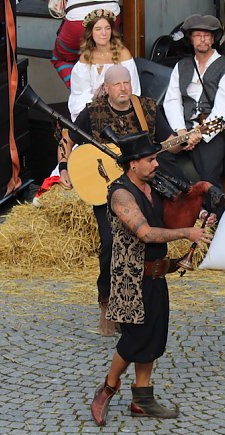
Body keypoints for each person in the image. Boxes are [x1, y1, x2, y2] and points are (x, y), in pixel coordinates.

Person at [89, 132, 213, 425]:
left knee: (154, 339)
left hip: (156, 274)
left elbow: (171, 214)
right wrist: (187, 233)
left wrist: (197, 209)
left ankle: (142, 399)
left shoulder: (150, 186)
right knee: (134, 340)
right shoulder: (121, 195)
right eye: (150, 159)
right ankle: (108, 388)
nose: (156, 164)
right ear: (133, 165)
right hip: (130, 280)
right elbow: (144, 233)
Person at [62, 64, 160, 336]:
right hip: (105, 189)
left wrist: (185, 139)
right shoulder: (93, 113)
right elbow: (66, 136)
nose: (123, 88)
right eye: (117, 84)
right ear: (106, 88)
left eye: (127, 83)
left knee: (145, 243)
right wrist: (63, 166)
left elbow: (167, 140)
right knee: (109, 243)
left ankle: (137, 305)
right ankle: (106, 303)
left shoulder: (148, 109)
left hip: (141, 188)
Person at [160, 14, 225, 187]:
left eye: (206, 35)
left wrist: (199, 135)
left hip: (212, 132)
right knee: (160, 159)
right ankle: (186, 203)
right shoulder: (182, 66)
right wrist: (181, 132)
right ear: (191, 39)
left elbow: (223, 112)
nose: (202, 39)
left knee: (209, 177)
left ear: (212, 39)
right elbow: (172, 100)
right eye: (197, 35)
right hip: (184, 130)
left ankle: (212, 213)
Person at [67, 9, 139, 122]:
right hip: (92, 113)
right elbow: (79, 93)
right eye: (98, 29)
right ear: (91, 32)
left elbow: (133, 89)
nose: (104, 33)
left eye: (107, 28)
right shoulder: (85, 58)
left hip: (120, 113)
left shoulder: (123, 54)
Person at [52, 0, 121, 88]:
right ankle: (108, 93)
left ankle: (81, 92)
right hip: (111, 13)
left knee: (62, 59)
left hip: (78, 18)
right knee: (108, 54)